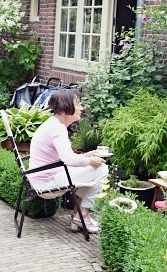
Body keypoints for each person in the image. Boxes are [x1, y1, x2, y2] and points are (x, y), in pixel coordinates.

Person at [28, 88, 109, 234]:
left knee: (96, 170)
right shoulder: (57, 129)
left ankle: (79, 215)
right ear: (66, 108)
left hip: (46, 176)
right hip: (47, 181)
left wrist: (87, 155)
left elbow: (63, 158)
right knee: (102, 170)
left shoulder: (54, 125)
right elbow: (68, 159)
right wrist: (91, 161)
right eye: (78, 104)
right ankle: (81, 215)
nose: (81, 108)